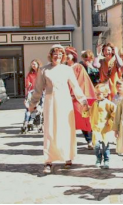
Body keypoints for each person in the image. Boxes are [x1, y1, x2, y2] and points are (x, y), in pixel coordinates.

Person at [29, 44, 89, 174]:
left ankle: (68, 156)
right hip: (50, 102)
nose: (58, 56)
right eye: (55, 54)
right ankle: (49, 160)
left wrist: (83, 100)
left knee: (66, 129)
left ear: (63, 56)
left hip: (65, 102)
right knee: (50, 130)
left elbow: (75, 86)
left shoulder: (67, 69)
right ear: (51, 55)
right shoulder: (44, 70)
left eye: (60, 54)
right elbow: (38, 89)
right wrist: (32, 103)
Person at [65, 47, 97, 150]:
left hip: (76, 98)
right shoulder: (63, 68)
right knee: (68, 120)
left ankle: (90, 140)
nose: (66, 56)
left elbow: (82, 82)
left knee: (83, 117)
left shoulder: (78, 67)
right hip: (66, 97)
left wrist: (76, 94)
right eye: (65, 54)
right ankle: (69, 142)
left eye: (68, 54)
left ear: (73, 56)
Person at [83, 83, 116, 169]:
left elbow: (115, 113)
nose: (97, 95)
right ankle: (98, 159)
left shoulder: (108, 103)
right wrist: (85, 109)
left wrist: (109, 121)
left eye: (99, 93)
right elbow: (89, 113)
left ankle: (106, 160)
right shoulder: (95, 103)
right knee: (96, 145)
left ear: (105, 93)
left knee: (105, 145)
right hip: (96, 128)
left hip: (105, 128)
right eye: (96, 93)